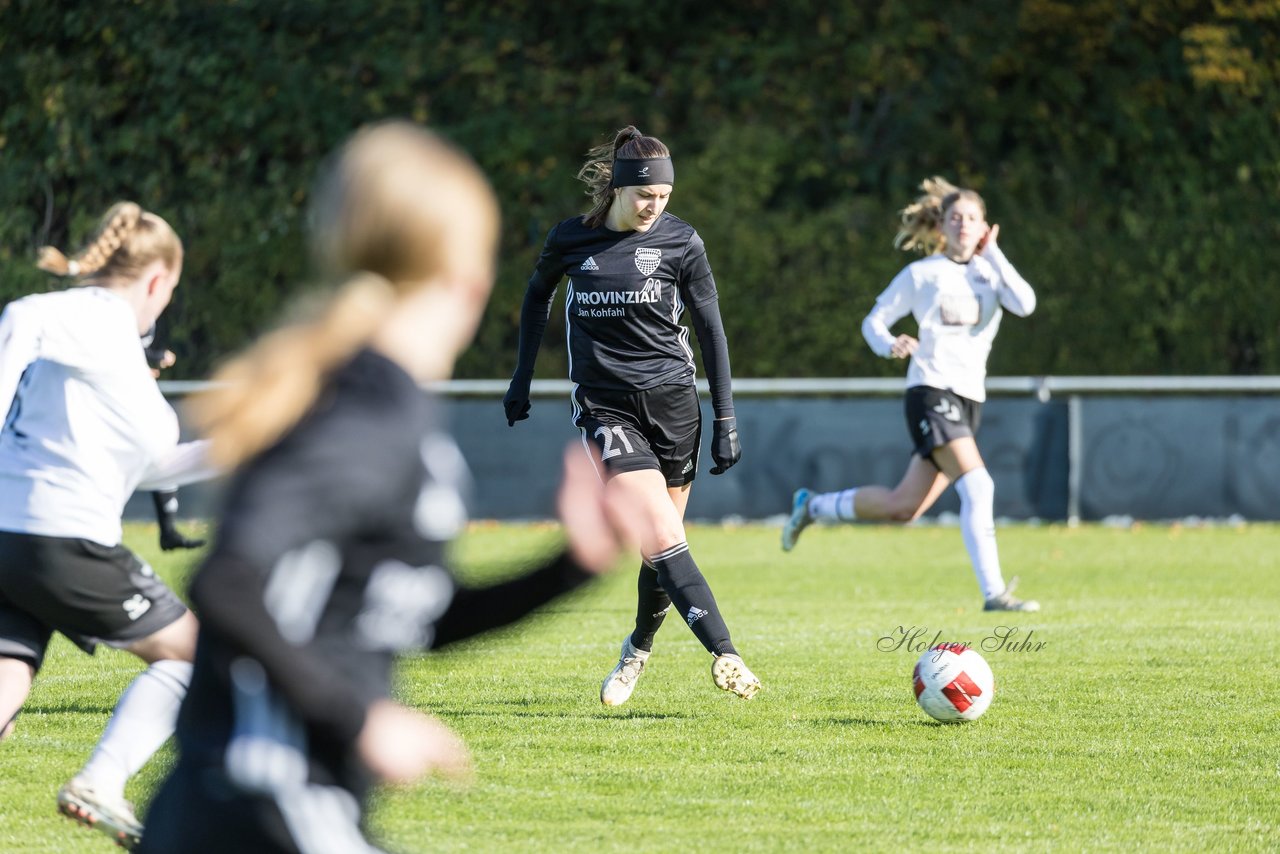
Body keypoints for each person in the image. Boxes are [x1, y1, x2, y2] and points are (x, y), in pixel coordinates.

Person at [138, 121, 638, 854]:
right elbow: (226, 582)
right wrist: (359, 719)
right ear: (466, 276)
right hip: (266, 801)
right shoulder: (366, 414)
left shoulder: (380, 402)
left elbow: (405, 618)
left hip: (254, 805)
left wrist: (571, 567)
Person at [503, 125, 761, 708]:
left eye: (664, 197)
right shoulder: (571, 239)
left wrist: (725, 417)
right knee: (664, 534)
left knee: (660, 548)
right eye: (645, 195)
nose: (654, 206)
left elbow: (711, 332)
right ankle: (726, 653)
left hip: (675, 406)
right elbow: (536, 295)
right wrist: (522, 376)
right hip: (605, 405)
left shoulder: (682, 243)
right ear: (619, 188)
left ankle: (638, 647)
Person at [0, 201, 213, 849]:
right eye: (168, 293)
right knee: (204, 656)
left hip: (14, 540)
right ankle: (103, 779)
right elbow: (22, 315)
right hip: (59, 539)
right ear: (157, 281)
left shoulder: (105, 351)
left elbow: (146, 466)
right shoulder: (96, 315)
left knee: (7, 677)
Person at [781, 177, 1041, 613]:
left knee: (903, 507)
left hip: (967, 399)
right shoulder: (922, 274)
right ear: (941, 224)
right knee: (978, 485)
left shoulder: (991, 274)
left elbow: (1026, 304)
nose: (963, 225)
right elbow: (873, 321)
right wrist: (889, 344)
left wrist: (993, 253)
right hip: (929, 390)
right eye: (955, 217)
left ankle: (814, 506)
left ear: (984, 227)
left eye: (972, 219)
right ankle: (995, 594)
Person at [141, 324, 206, 552]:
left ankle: (168, 531)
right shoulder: (115, 307)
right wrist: (151, 358)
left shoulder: (140, 310)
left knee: (162, 449)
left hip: (134, 389)